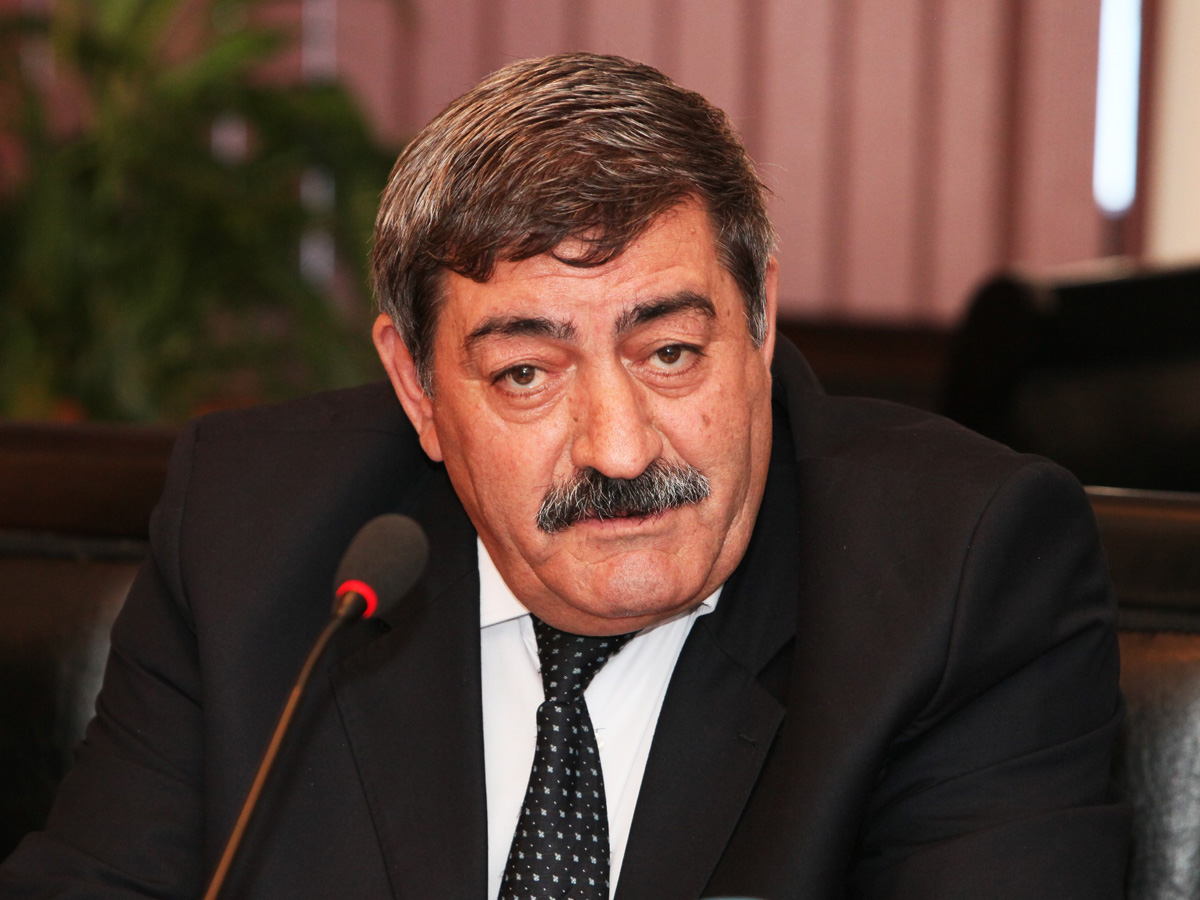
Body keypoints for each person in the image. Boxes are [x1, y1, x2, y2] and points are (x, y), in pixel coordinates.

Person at [0, 53, 1127, 899]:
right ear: (416, 388)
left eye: (669, 353)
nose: (619, 449)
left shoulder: (960, 576)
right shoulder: (253, 538)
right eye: (527, 375)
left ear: (761, 319)